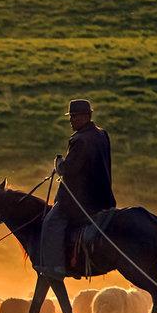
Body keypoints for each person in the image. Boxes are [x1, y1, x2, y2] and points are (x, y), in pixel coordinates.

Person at [37, 99, 116, 281]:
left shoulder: (80, 140)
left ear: (86, 116)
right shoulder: (102, 134)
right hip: (104, 198)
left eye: (75, 116)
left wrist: (59, 163)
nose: (71, 120)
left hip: (82, 201)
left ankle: (55, 267)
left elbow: (68, 170)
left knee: (50, 222)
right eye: (71, 117)